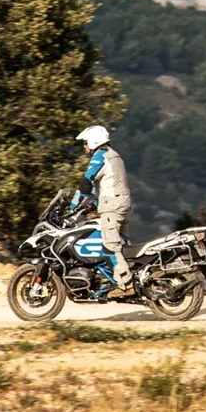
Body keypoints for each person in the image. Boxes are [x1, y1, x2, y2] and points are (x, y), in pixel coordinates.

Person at [76, 124, 135, 292]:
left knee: (110, 247)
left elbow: (85, 183)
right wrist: (93, 205)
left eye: (86, 142)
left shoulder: (99, 157)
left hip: (112, 208)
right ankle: (130, 276)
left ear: (94, 142)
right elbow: (111, 184)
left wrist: (73, 205)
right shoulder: (114, 155)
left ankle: (125, 285)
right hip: (121, 204)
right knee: (123, 247)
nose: (85, 146)